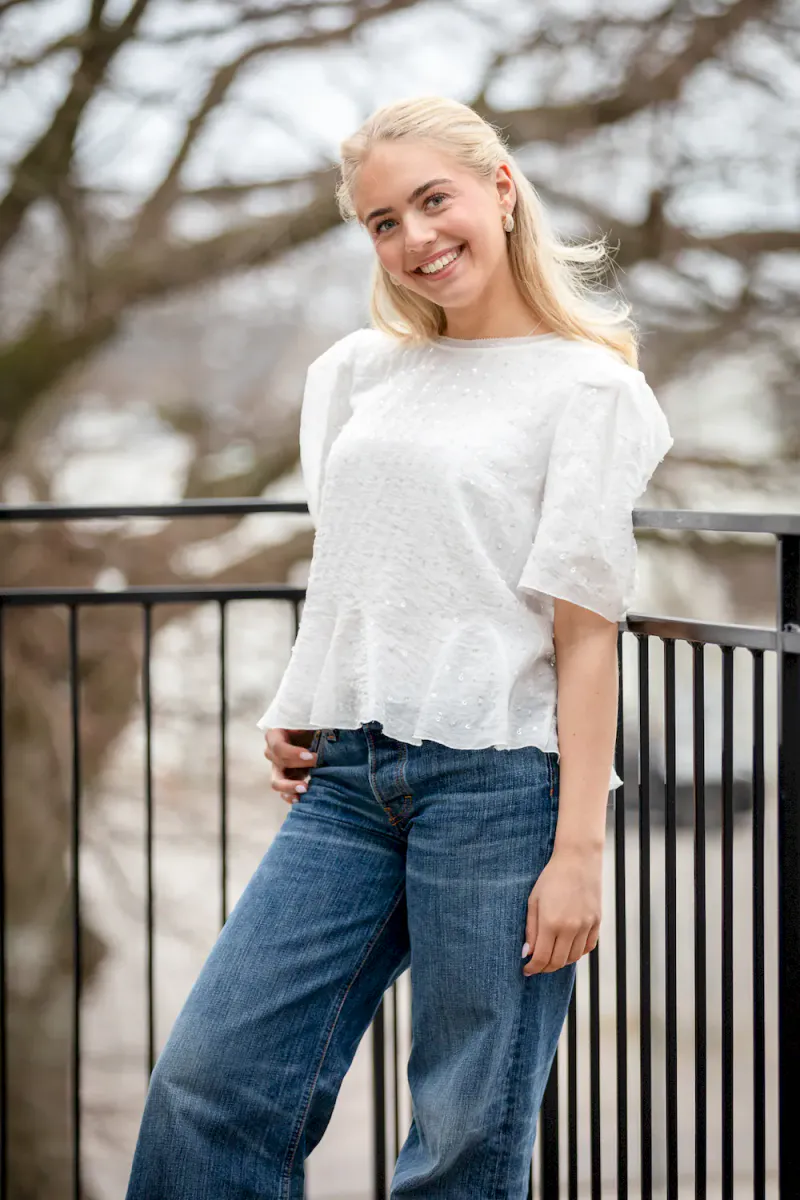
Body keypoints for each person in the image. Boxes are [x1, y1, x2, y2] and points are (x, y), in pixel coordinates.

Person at [125, 95, 673, 1199]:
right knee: (208, 1082)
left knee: (463, 1137)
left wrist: (578, 853)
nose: (415, 238)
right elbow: (359, 565)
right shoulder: (357, 376)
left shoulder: (586, 390)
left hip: (499, 784)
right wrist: (302, 693)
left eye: (433, 200)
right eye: (382, 222)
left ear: (499, 187)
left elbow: (582, 631)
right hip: (345, 780)